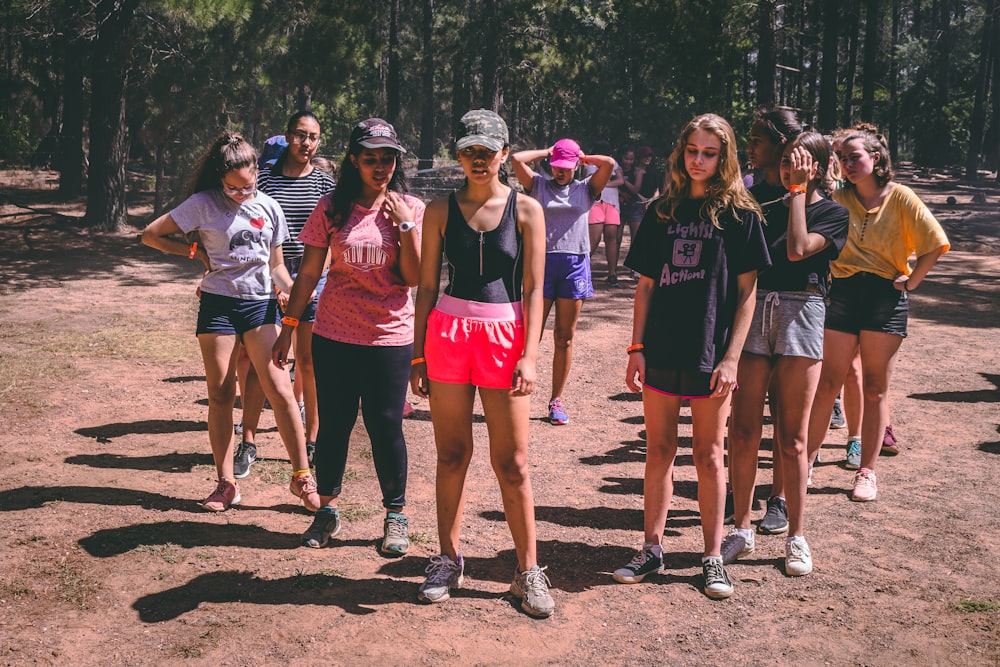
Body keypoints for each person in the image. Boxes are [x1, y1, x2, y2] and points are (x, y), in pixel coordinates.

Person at [613, 113, 770, 600]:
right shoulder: (663, 211)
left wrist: (731, 359)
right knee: (658, 451)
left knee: (707, 455)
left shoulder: (741, 216)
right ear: (681, 153)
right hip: (661, 348)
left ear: (724, 159)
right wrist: (636, 349)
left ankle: (711, 558)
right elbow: (643, 287)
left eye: (709, 153)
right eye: (692, 151)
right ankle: (651, 549)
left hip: (711, 355)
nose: (698, 160)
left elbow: (747, 294)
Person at [410, 109, 552, 617]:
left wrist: (531, 355)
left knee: (512, 463)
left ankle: (528, 571)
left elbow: (535, 289)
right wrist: (417, 353)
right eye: (469, 150)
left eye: (487, 151)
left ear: (505, 154)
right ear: (458, 154)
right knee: (451, 455)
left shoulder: (528, 210)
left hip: (505, 338)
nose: (477, 160)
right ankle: (447, 558)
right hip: (447, 334)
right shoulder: (439, 210)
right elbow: (427, 285)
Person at [141, 131, 320, 513]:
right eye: (232, 188)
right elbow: (151, 235)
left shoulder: (270, 208)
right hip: (219, 304)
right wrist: (194, 252)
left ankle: (301, 476)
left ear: (257, 172)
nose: (240, 194)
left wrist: (289, 290)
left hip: (259, 304)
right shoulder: (203, 203)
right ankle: (226, 483)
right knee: (221, 393)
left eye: (247, 185)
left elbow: (277, 267)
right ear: (219, 178)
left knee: (280, 388)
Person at [273, 118, 423, 556]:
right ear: (354, 160)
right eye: (371, 159)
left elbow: (412, 277)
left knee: (385, 425)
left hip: (389, 337)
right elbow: (308, 272)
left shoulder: (410, 207)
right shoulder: (331, 209)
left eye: (388, 159)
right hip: (335, 334)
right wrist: (290, 326)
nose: (381, 168)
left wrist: (406, 225)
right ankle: (327, 511)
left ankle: (395, 516)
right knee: (335, 425)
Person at [725, 132, 848, 577]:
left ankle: (796, 534)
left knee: (792, 437)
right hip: (755, 308)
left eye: (797, 162)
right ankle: (740, 528)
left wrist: (798, 191)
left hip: (803, 311)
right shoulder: (760, 203)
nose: (786, 168)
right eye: (784, 161)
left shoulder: (833, 214)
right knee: (742, 430)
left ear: (815, 166)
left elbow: (798, 250)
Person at [806, 128, 949, 501]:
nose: (848, 164)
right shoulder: (839, 197)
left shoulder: (902, 197)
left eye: (855, 157)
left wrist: (913, 280)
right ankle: (803, 463)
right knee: (827, 384)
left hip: (885, 297)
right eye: (842, 158)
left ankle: (866, 472)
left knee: (874, 388)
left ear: (877, 159)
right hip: (843, 294)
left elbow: (934, 242)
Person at [234, 112, 336, 477]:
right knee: (263, 363)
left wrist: (310, 283)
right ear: (288, 136)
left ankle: (312, 441)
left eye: (312, 137)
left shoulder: (325, 184)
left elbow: (332, 239)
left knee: (309, 363)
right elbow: (253, 232)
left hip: (314, 277)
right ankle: (248, 441)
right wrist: (279, 286)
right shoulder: (267, 182)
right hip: (268, 275)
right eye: (299, 135)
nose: (305, 143)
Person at [730, 107, 804, 532]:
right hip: (748, 306)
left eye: (757, 140)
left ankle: (778, 498)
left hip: (793, 310)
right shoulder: (747, 192)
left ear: (780, 145)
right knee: (743, 415)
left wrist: (799, 191)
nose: (750, 147)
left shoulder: (809, 196)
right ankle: (740, 496)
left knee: (784, 415)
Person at [511, 138, 614, 425]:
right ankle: (515, 389)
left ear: (575, 167)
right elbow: (517, 160)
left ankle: (556, 400)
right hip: (541, 264)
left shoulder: (586, 189)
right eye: (557, 166)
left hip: (574, 267)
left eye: (566, 168)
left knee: (564, 337)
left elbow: (609, 164)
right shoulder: (538, 186)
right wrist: (548, 152)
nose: (561, 172)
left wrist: (583, 157)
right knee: (530, 334)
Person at [586, 140, 626, 285]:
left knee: (612, 238)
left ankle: (612, 274)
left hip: (612, 204)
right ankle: (581, 270)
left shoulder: (613, 163)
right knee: (594, 239)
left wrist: (604, 183)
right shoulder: (589, 164)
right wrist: (608, 182)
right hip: (595, 203)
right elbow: (588, 181)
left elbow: (621, 180)